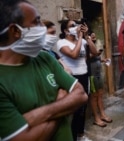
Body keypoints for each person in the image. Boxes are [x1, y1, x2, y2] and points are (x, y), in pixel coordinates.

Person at [0, 0, 88, 141]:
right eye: (37, 22)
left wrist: (39, 114)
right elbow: (23, 138)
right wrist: (62, 104)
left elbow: (81, 95)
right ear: (15, 31)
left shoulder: (44, 57)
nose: (42, 28)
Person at [57, 20, 98, 141]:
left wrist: (86, 37)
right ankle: (72, 137)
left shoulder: (83, 40)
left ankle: (80, 135)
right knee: (74, 110)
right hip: (72, 78)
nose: (76, 27)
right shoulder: (61, 42)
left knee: (83, 108)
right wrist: (80, 37)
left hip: (84, 76)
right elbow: (74, 54)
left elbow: (95, 53)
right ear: (65, 30)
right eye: (72, 26)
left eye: (76, 25)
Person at [89, 31, 113, 127]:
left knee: (100, 94)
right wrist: (95, 54)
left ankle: (102, 114)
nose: (94, 38)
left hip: (98, 74)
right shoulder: (86, 46)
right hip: (92, 75)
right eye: (92, 37)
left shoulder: (93, 46)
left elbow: (96, 58)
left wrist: (103, 59)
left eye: (95, 37)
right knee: (94, 97)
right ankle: (96, 117)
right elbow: (86, 58)